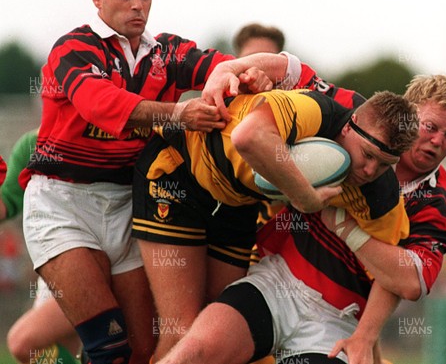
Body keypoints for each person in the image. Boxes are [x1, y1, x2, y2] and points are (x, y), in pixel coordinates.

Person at [20, 0, 299, 364]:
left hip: (127, 205)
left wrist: (251, 72)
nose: (138, 5)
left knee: (142, 350)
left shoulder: (165, 52)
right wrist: (179, 114)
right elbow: (102, 103)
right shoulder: (73, 49)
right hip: (64, 204)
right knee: (104, 345)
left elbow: (217, 65)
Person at [131, 88, 418, 362]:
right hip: (180, 175)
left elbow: (396, 275)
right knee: (183, 331)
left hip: (236, 206)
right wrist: (305, 197)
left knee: (213, 329)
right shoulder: (315, 110)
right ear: (349, 126)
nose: (370, 171)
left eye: (384, 164)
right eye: (368, 155)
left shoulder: (381, 195)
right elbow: (248, 136)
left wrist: (365, 338)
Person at [320, 74, 446, 361]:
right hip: (271, 265)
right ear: (408, 114)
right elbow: (293, 73)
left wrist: (346, 229)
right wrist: (234, 72)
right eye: (430, 127)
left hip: (339, 317)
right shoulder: (362, 117)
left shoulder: (441, 205)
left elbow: (410, 281)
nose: (438, 141)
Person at [1, 129, 82, 364]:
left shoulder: (116, 138)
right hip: (54, 269)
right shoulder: (32, 144)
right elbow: (6, 201)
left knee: (24, 342)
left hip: (106, 265)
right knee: (52, 349)